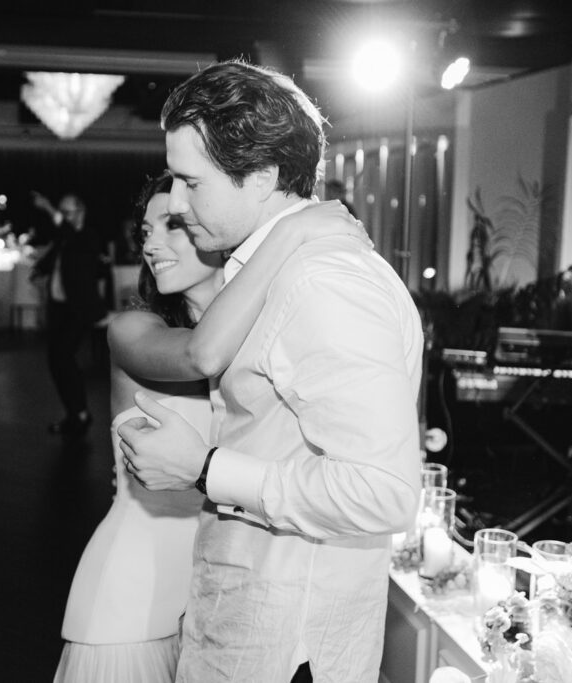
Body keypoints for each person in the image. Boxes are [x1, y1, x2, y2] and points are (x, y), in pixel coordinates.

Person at [118, 61, 424, 683]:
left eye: (189, 183)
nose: (175, 204)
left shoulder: (324, 283)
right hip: (247, 622)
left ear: (259, 176)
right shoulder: (272, 273)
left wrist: (205, 469)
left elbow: (383, 492)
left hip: (288, 650)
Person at [54, 173, 361, 683]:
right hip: (134, 597)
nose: (151, 242)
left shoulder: (271, 340)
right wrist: (289, 234)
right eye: (145, 229)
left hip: (227, 605)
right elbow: (203, 355)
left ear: (215, 229)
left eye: (172, 225)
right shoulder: (133, 331)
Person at [31, 192, 110, 436]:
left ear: (81, 212)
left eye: (67, 212)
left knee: (64, 358)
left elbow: (85, 260)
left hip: (78, 309)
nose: (64, 217)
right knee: (56, 361)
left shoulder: (87, 237)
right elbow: (54, 256)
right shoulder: (65, 237)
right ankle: (74, 413)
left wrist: (47, 207)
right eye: (61, 212)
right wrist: (38, 270)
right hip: (59, 308)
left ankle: (81, 413)